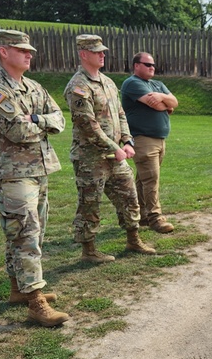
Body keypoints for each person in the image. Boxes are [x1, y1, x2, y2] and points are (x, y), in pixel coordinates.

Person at [0, 29, 70, 327]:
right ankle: (36, 301)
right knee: (25, 235)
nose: (29, 54)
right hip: (13, 174)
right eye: (21, 49)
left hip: (39, 169)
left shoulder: (34, 87)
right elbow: (16, 131)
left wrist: (36, 119)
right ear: (3, 52)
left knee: (31, 232)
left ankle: (19, 288)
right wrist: (38, 123)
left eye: (29, 50)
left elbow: (60, 119)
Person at [65, 34, 156, 262]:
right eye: (97, 52)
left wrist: (127, 140)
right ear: (84, 54)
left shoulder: (108, 82)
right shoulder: (78, 86)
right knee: (90, 203)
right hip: (90, 158)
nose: (103, 54)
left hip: (116, 154)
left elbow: (120, 114)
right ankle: (89, 251)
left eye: (103, 51)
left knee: (129, 196)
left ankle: (133, 240)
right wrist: (114, 146)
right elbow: (87, 125)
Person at [120, 51, 179, 234]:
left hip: (159, 140)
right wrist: (164, 103)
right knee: (151, 179)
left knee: (143, 180)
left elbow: (174, 102)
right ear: (136, 65)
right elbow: (158, 106)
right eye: (148, 64)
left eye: (153, 65)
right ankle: (156, 218)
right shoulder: (132, 83)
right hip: (143, 139)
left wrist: (162, 98)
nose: (152, 67)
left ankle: (140, 214)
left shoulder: (157, 84)